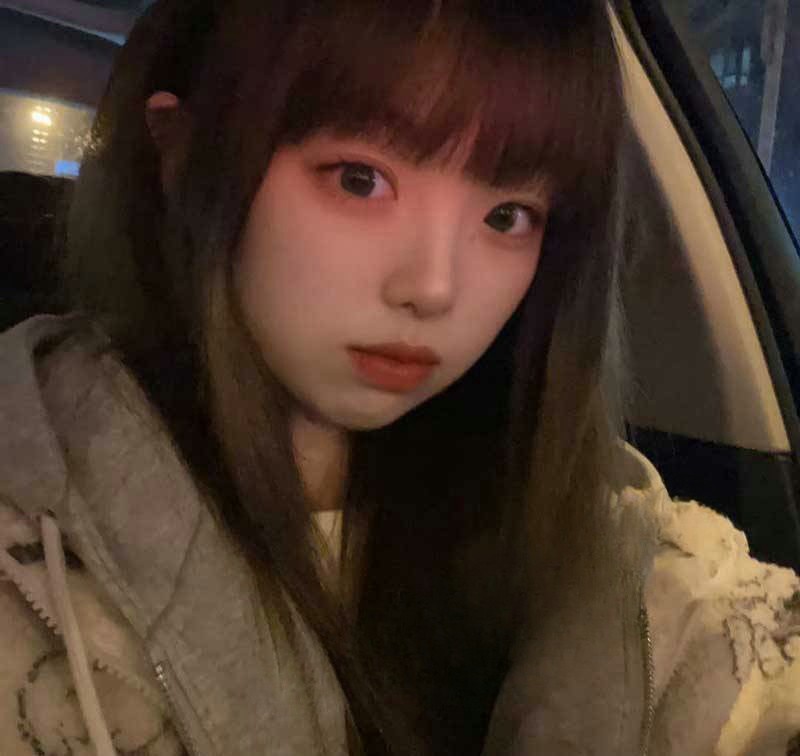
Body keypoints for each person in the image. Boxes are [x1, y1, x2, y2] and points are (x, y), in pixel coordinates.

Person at [0, 0, 798, 753]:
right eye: (360, 179)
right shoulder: (35, 567)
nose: (435, 288)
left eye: (508, 216)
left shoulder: (597, 540)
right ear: (182, 157)